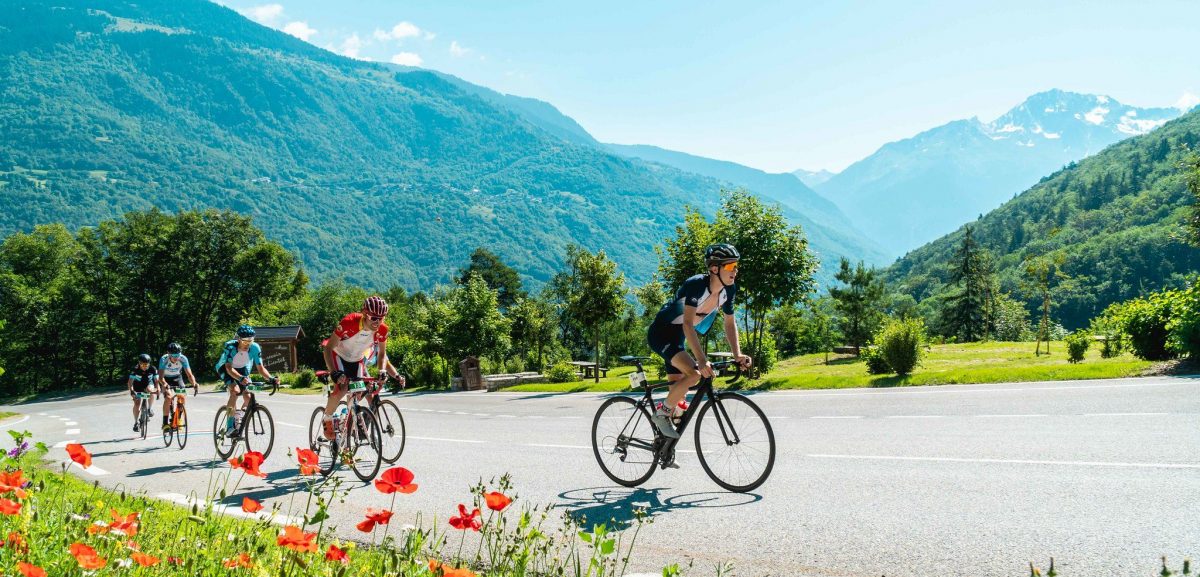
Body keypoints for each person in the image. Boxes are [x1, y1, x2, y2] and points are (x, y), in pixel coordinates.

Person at [646, 243, 752, 444]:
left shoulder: (728, 291)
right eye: (730, 267)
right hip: (661, 333)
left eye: (736, 266)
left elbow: (730, 322)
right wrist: (701, 360)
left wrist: (737, 354)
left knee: (678, 407)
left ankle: (663, 448)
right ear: (714, 268)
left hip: (678, 337)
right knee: (694, 374)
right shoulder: (696, 285)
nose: (735, 271)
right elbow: (687, 324)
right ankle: (661, 413)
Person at [320, 296, 402, 439]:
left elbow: (382, 354)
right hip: (338, 355)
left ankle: (350, 420)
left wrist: (382, 370)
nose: (378, 322)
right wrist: (334, 372)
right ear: (365, 314)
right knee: (342, 388)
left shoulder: (382, 329)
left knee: (362, 391)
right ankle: (327, 419)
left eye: (381, 318)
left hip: (357, 360)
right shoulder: (349, 322)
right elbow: (328, 348)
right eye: (374, 318)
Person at [215, 325, 277, 436]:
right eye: (244, 341)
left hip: (242, 368)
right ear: (238, 339)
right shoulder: (230, 347)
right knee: (235, 390)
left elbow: (261, 369)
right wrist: (240, 378)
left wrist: (271, 378)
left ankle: (238, 416)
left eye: (250, 341)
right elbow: (229, 368)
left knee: (248, 397)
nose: (247, 344)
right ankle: (229, 426)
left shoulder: (255, 348)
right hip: (225, 367)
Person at [157, 342, 198, 432]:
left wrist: (194, 384)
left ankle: (178, 417)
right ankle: (165, 423)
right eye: (174, 355)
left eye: (178, 355)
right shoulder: (164, 359)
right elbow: (160, 376)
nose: (176, 358)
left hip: (177, 378)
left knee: (182, 396)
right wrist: (164, 384)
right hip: (165, 378)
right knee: (168, 397)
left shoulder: (183, 359)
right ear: (169, 354)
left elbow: (189, 374)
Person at [127, 353, 159, 432]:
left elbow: (157, 381)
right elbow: (130, 383)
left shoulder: (153, 369)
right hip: (138, 386)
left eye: (146, 365)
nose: (145, 367)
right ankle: (136, 422)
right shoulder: (135, 369)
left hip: (149, 384)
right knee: (137, 403)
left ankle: (149, 409)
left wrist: (158, 389)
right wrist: (132, 391)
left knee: (150, 390)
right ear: (139, 363)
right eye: (143, 365)